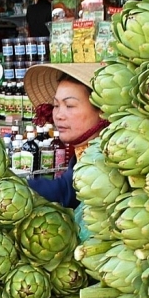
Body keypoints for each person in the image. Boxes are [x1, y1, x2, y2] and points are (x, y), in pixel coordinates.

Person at [25, 63, 108, 209]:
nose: (58, 115)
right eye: (56, 105)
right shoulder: (81, 153)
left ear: (102, 111)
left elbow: (65, 191)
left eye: (69, 105)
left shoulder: (107, 159)